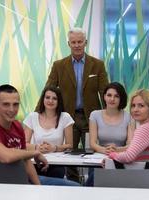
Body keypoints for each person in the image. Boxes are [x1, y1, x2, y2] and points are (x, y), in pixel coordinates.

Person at [39, 27, 109, 182]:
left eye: (80, 42)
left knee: (93, 153)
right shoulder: (59, 65)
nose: (77, 45)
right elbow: (48, 89)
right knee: (70, 153)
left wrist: (108, 117)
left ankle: (93, 184)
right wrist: (40, 111)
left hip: (91, 118)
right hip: (68, 117)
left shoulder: (97, 65)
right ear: (68, 44)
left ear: (86, 42)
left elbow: (105, 92)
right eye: (73, 42)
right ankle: (73, 184)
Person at [0, 84, 79, 186]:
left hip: (24, 180)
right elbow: (6, 156)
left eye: (15, 104)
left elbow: (26, 161)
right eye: (6, 104)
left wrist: (38, 187)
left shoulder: (17, 126)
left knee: (75, 187)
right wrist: (35, 152)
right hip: (1, 186)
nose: (12, 110)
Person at [86, 82, 134, 186]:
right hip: (99, 157)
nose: (112, 99)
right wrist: (105, 150)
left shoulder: (128, 116)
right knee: (94, 177)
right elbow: (92, 143)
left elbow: (131, 144)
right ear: (104, 97)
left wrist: (117, 150)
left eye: (116, 96)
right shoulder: (95, 115)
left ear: (121, 98)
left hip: (121, 158)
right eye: (109, 95)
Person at [23, 86, 73, 179]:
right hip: (35, 161)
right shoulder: (32, 116)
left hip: (57, 163)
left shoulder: (65, 117)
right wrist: (37, 148)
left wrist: (54, 148)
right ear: (43, 99)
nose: (50, 101)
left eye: (54, 98)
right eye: (47, 97)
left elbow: (70, 145)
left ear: (59, 101)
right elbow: (24, 144)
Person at [109, 89, 149, 163]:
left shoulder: (146, 128)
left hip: (145, 174)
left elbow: (128, 157)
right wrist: (118, 150)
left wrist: (111, 155)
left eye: (141, 106)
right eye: (133, 106)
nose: (135, 110)